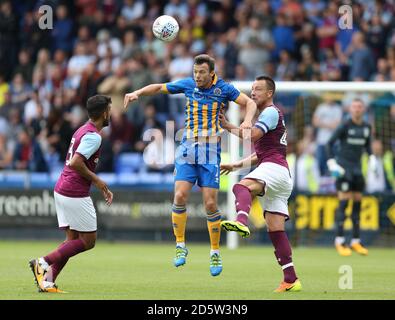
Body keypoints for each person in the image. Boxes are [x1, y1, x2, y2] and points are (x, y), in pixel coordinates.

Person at [124, 54, 257, 276]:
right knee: (179, 197)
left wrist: (247, 120)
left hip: (210, 152)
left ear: (212, 73)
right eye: (195, 72)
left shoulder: (224, 88)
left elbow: (250, 102)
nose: (197, 76)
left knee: (210, 204)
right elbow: (158, 87)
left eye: (202, 72)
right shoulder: (187, 84)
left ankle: (215, 251)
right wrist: (137, 92)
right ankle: (180, 246)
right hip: (187, 149)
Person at [219, 75, 302, 293]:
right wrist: (236, 164)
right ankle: (290, 279)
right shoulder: (270, 116)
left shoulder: (270, 112)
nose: (253, 92)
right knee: (275, 229)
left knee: (241, 187)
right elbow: (261, 153)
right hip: (280, 174)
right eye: (252, 88)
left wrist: (231, 127)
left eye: (258, 89)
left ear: (269, 93)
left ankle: (241, 220)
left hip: (275, 170)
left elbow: (253, 135)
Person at [29, 95, 113, 293]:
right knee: (88, 241)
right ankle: (42, 262)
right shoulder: (94, 136)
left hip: (63, 187)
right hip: (74, 191)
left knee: (72, 240)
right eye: (110, 110)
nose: (111, 114)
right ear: (104, 113)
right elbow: (76, 162)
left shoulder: (83, 129)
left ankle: (47, 280)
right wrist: (99, 182)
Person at [326, 98, 372, 256]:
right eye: (354, 107)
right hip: (344, 169)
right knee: (344, 203)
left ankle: (355, 241)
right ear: (350, 110)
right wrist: (332, 162)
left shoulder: (366, 127)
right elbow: (329, 143)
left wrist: (371, 159)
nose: (357, 109)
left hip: (358, 170)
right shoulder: (345, 125)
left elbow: (368, 146)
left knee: (358, 204)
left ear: (363, 110)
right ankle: (339, 240)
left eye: (360, 107)